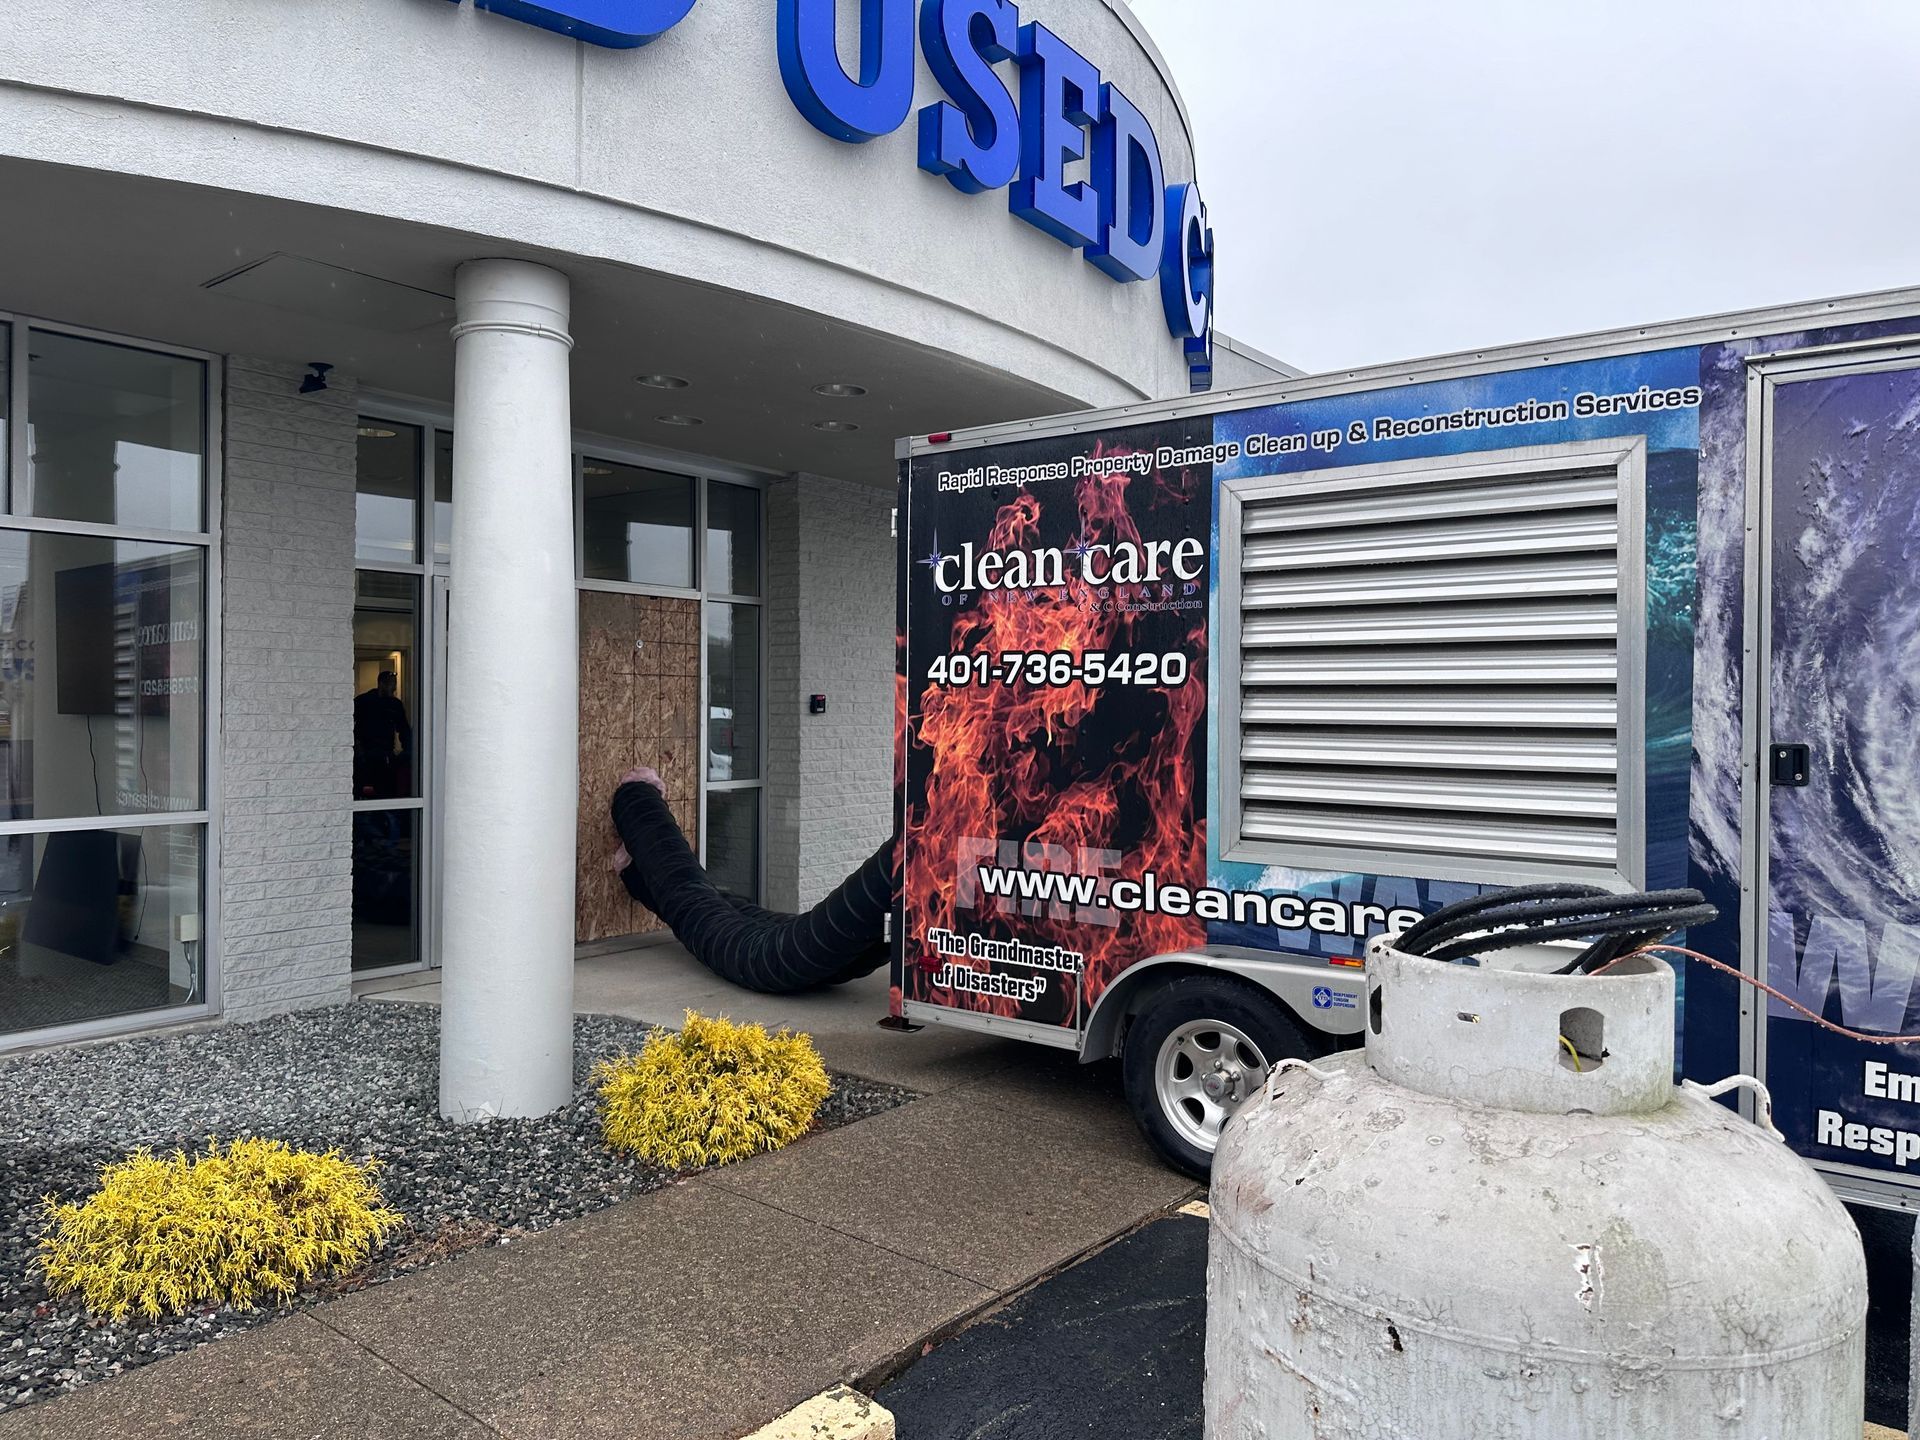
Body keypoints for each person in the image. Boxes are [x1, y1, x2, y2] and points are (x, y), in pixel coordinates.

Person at [353, 670, 413, 799]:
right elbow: (346, 722)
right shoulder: (364, 701)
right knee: (364, 794)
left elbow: (403, 729)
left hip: (386, 757)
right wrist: (356, 749)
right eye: (391, 684)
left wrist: (406, 753)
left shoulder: (395, 705)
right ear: (381, 684)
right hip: (365, 756)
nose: (394, 688)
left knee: (386, 794)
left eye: (394, 684)